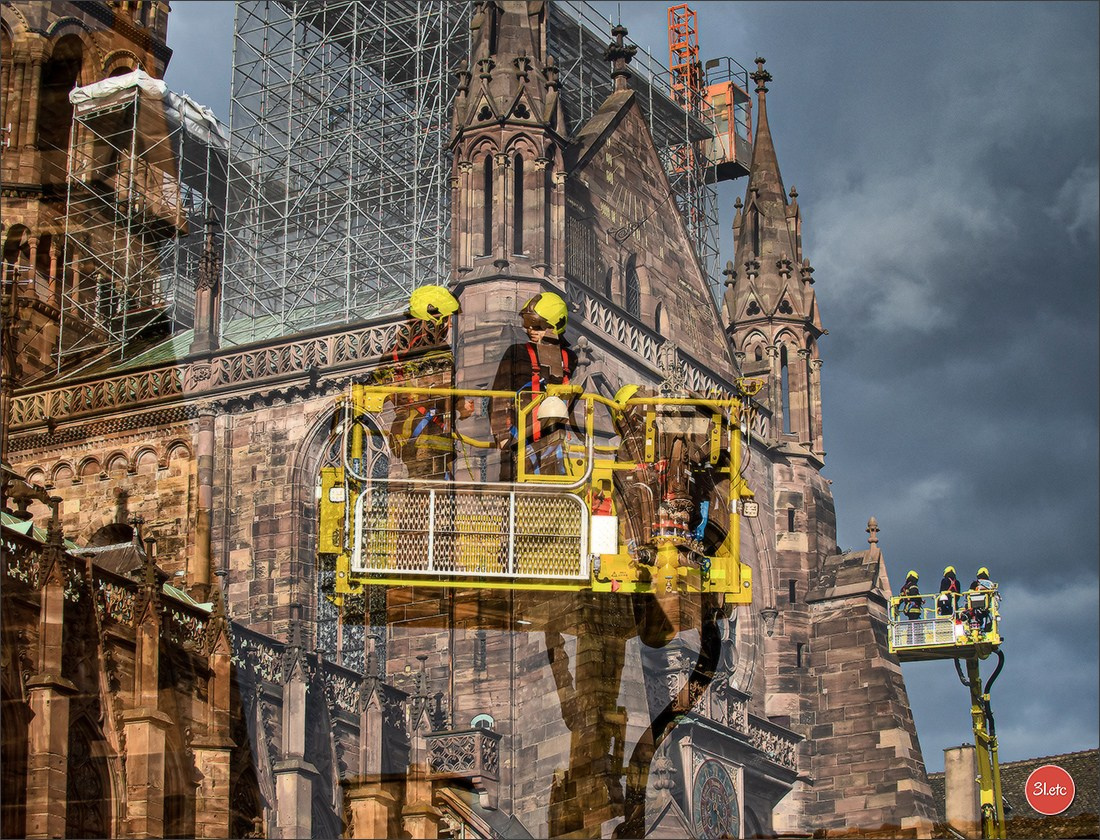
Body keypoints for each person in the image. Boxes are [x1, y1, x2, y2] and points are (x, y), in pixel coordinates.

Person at [490, 292, 577, 481]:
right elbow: (499, 394)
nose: (530, 330)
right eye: (528, 325)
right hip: (518, 436)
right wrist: (502, 435)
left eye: (537, 326)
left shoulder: (569, 358)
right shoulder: (516, 353)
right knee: (514, 486)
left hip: (552, 438)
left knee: (552, 490)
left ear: (555, 326)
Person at [965, 566, 998, 633]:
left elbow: (968, 594)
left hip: (973, 606)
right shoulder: (991, 584)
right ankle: (985, 629)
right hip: (986, 607)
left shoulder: (975, 583)